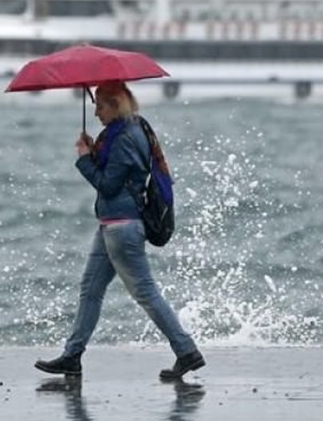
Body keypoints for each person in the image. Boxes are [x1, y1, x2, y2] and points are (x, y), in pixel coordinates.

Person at [34, 81, 205, 380]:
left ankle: (186, 351)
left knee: (146, 293)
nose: (96, 112)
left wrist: (85, 159)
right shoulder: (126, 131)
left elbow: (109, 186)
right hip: (111, 225)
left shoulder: (125, 137)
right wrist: (94, 152)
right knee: (90, 291)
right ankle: (72, 356)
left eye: (100, 106)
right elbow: (117, 174)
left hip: (122, 227)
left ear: (116, 105)